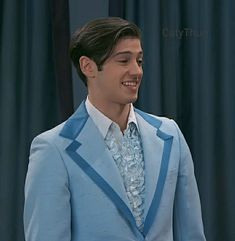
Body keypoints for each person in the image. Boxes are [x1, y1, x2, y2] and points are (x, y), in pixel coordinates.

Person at [24, 17, 206, 241]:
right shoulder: (53, 149)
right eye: (123, 61)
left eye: (139, 61)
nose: (136, 71)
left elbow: (191, 233)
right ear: (88, 66)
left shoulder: (170, 135)